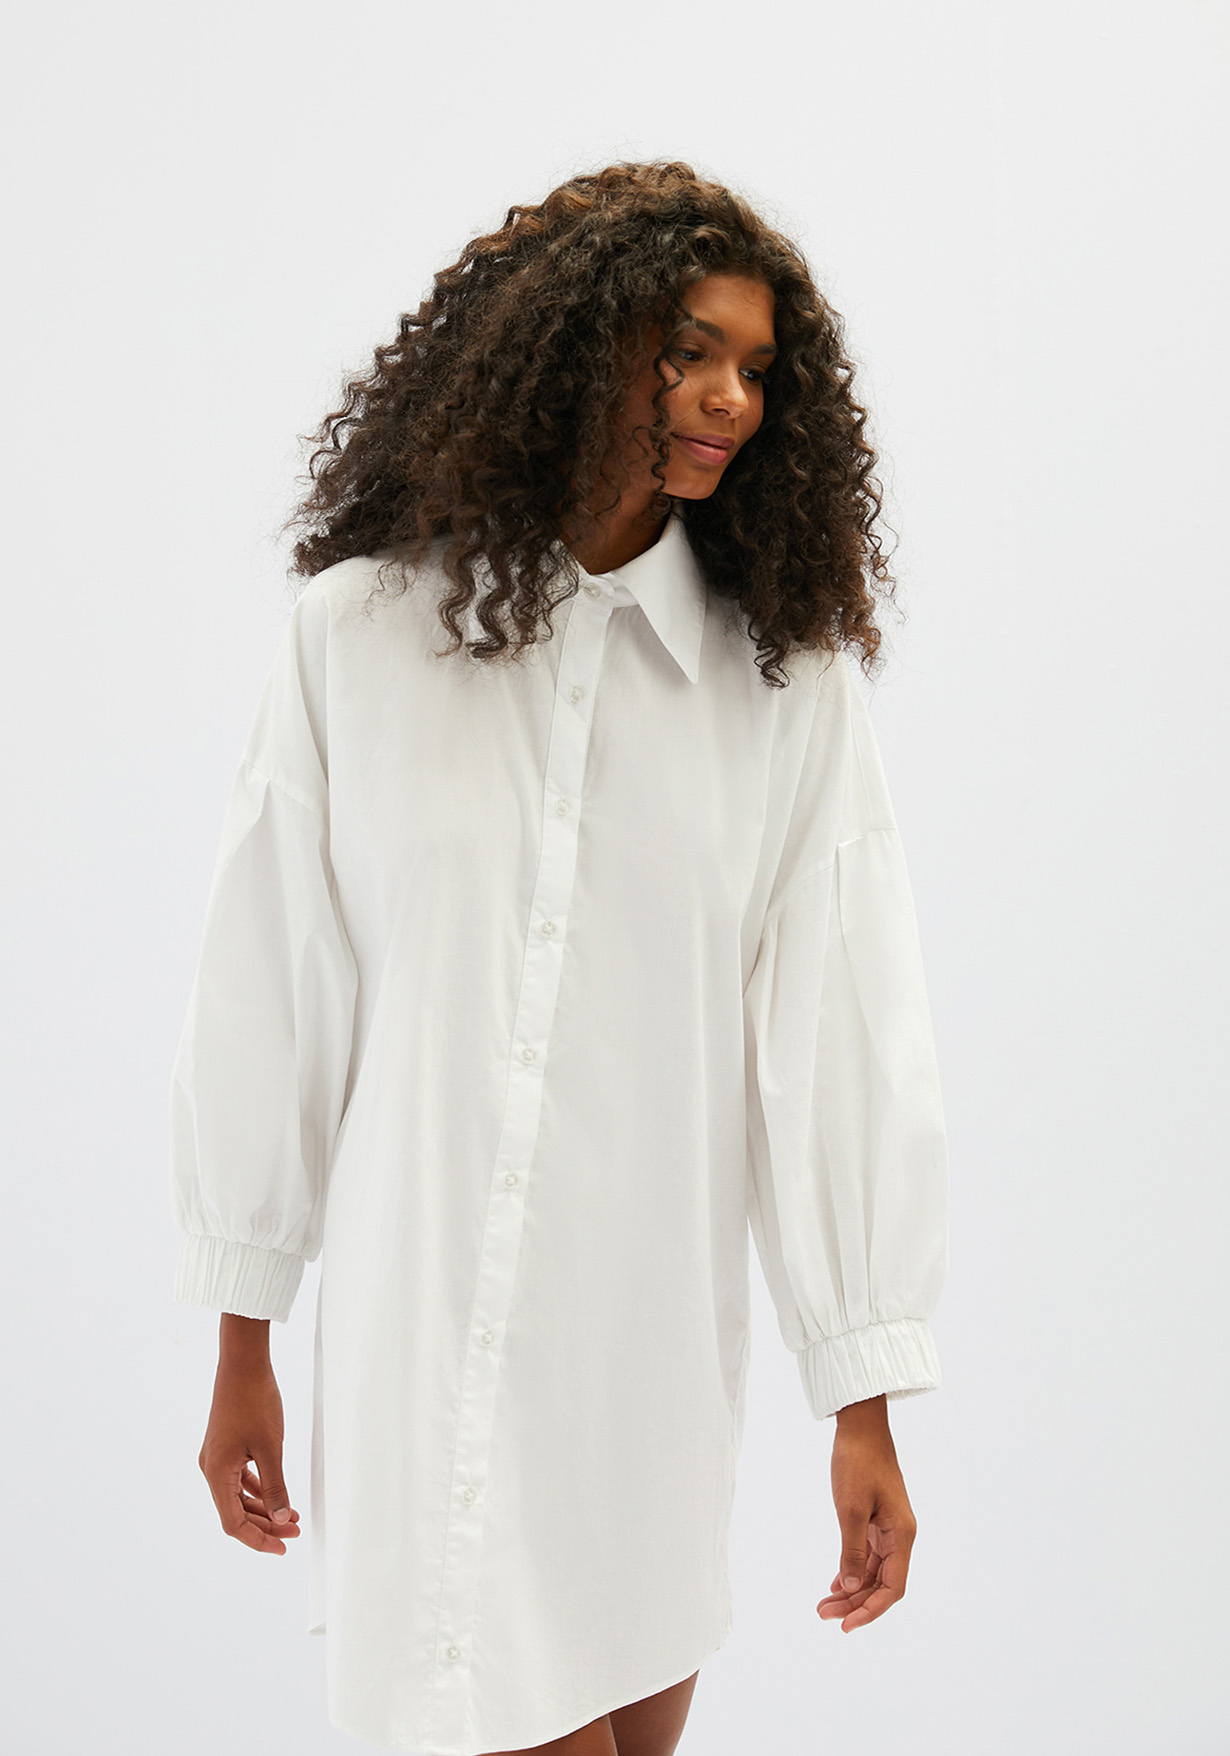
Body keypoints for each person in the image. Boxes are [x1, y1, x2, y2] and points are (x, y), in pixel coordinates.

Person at [170, 159, 950, 1756]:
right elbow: (272, 990)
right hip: (420, 1345)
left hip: (643, 1379)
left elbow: (837, 1030)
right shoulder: (358, 636)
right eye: (687, 350)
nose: (728, 398)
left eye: (756, 369)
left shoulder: (781, 688)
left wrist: (858, 1391)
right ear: (572, 349)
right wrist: (243, 1332)